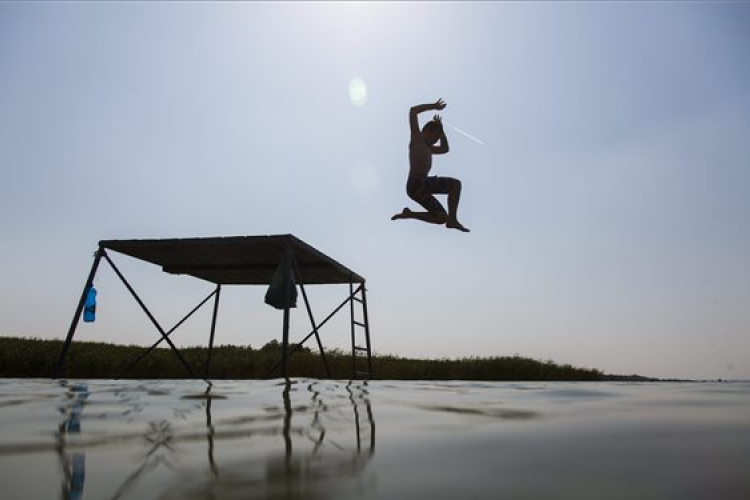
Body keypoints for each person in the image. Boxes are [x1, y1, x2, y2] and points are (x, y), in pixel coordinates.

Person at [391, 99, 469, 232]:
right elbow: (413, 111)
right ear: (427, 131)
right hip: (417, 183)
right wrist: (433, 106)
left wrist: (442, 130)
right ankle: (453, 219)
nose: (435, 142)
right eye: (435, 138)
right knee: (455, 185)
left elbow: (445, 149)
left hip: (419, 187)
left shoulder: (429, 148)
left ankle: (410, 214)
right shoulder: (417, 139)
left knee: (441, 218)